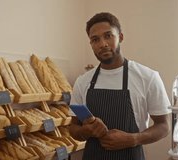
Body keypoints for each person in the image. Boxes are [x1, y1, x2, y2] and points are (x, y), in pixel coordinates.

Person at [68, 12, 171, 160]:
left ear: (120, 37)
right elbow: (73, 128)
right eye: (95, 39)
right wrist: (86, 131)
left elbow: (164, 126)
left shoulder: (147, 77)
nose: (102, 44)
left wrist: (134, 139)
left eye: (108, 36)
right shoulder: (82, 82)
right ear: (91, 44)